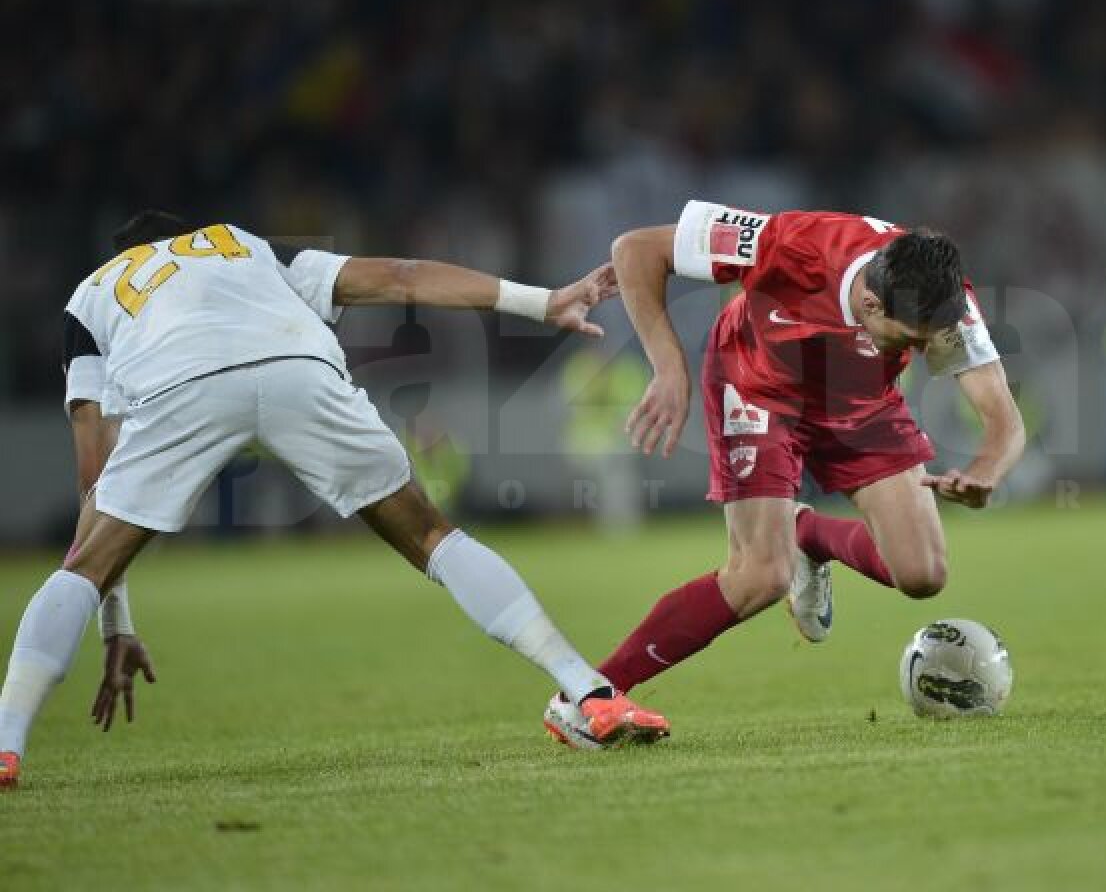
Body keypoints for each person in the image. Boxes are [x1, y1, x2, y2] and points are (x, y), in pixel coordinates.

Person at [0, 211, 669, 788]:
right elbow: (401, 276)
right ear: (193, 237)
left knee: (79, 570)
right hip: (298, 368)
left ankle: (6, 742)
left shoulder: (92, 295)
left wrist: (115, 623)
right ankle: (590, 689)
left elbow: (95, 474)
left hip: (180, 386)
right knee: (435, 537)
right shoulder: (243, 244)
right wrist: (543, 302)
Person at [544, 201, 1025, 747]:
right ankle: (586, 696)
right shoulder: (791, 245)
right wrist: (668, 366)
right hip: (756, 388)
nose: (922, 351)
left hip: (860, 404)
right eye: (911, 340)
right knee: (761, 576)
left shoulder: (945, 301)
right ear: (869, 301)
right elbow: (636, 249)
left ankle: (806, 534)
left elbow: (1003, 416)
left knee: (922, 574)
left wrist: (987, 468)